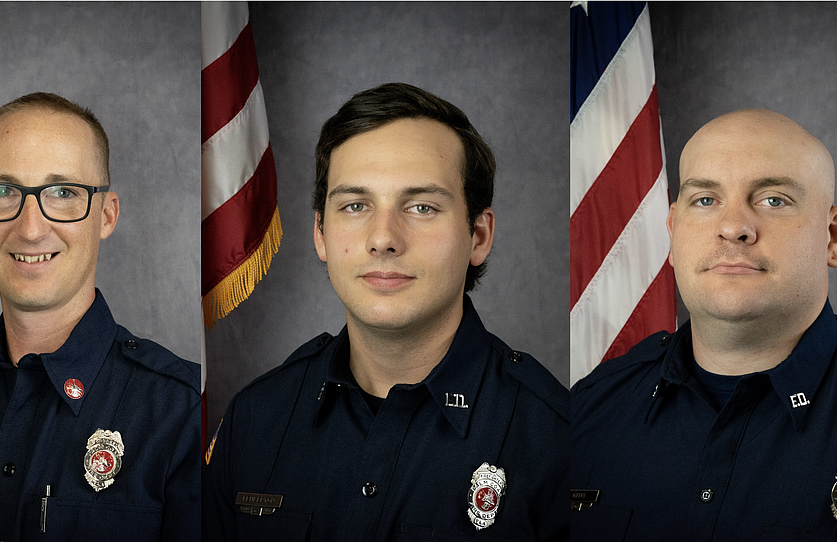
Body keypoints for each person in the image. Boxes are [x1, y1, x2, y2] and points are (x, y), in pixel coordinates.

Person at [204, 82, 568, 541]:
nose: (384, 238)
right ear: (320, 232)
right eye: (355, 205)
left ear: (478, 235)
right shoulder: (254, 422)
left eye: (421, 207)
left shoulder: (556, 440)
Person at [570, 109, 837, 540]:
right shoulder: (590, 408)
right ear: (672, 232)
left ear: (834, 236)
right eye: (705, 200)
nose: (733, 228)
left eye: (773, 200)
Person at [0, 92, 200, 541]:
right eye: (3, 191)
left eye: (63, 193)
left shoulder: (182, 416)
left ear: (106, 215)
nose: (30, 228)